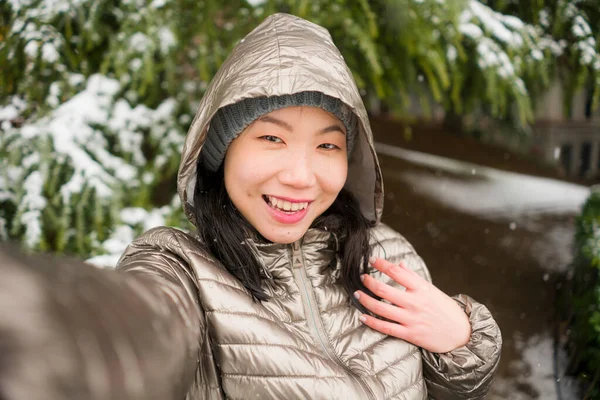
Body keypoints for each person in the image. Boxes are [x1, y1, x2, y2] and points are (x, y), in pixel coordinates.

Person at [0, 13, 502, 400]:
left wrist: (464, 339)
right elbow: (127, 328)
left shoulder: (390, 254)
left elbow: (448, 387)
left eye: (327, 145)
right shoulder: (184, 271)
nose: (301, 176)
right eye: (271, 138)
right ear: (221, 152)